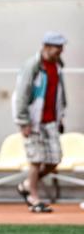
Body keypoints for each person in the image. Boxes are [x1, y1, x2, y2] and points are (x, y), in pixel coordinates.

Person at [13, 32, 67, 214]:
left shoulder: (57, 67)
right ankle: (33, 199)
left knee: (54, 160)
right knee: (35, 160)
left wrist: (61, 117)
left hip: (51, 120)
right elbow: (21, 94)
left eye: (61, 47)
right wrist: (23, 121)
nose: (60, 50)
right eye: (56, 47)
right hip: (33, 121)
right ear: (46, 46)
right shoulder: (33, 67)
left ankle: (28, 184)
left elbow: (59, 95)